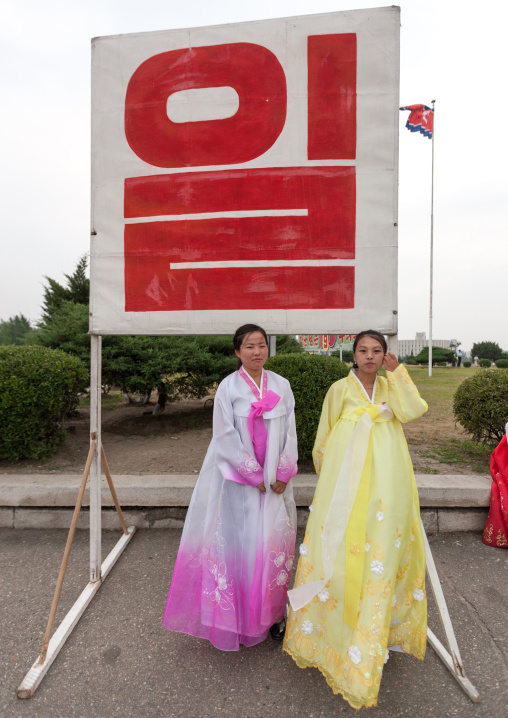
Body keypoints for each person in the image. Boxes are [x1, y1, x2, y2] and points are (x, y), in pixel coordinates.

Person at [283, 330, 428, 709]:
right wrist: (328, 482)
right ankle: (334, 632)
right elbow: (324, 438)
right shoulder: (339, 389)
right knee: (343, 551)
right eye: (363, 350)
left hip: (386, 485)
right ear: (354, 353)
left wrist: (398, 375)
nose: (369, 356)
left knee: (380, 551)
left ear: (385, 355)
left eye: (376, 351)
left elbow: (413, 411)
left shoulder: (389, 386)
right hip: (345, 487)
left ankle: (379, 630)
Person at [163, 324, 298, 650]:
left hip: (274, 486)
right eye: (249, 346)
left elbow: (291, 429)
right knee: (239, 547)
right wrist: (254, 476)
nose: (257, 352)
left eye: (261, 345)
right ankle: (235, 618)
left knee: (269, 546)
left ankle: (271, 615)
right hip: (239, 485)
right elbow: (224, 437)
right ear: (238, 352)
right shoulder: (228, 388)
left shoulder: (281, 384)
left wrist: (283, 472)